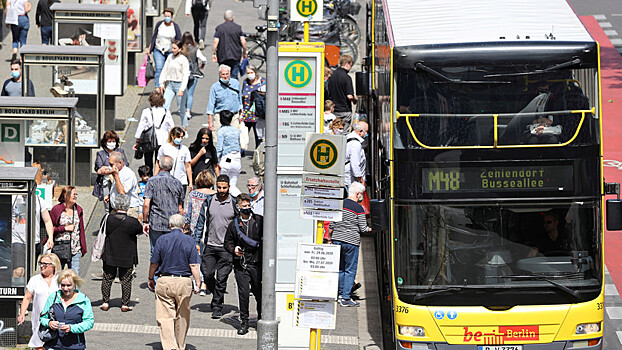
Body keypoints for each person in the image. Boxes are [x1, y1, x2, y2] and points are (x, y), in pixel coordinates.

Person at [148, 214, 201, 350]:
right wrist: (198, 282)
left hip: (164, 280)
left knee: (165, 317)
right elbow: (194, 265)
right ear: (184, 226)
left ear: (170, 226)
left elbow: (154, 263)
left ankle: (169, 346)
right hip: (184, 282)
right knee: (182, 316)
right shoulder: (190, 241)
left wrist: (150, 278)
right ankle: (180, 345)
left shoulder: (162, 240)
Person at [193, 174, 238, 319]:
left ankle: (217, 306)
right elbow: (201, 221)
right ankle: (217, 295)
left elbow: (239, 226)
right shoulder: (209, 201)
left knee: (222, 278)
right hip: (210, 245)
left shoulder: (234, 203)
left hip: (226, 248)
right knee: (207, 274)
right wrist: (196, 241)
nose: (221, 190)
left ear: (229, 187)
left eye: (224, 187)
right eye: (219, 187)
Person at [223, 193, 262, 335]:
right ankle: (244, 322)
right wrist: (234, 249)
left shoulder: (259, 220)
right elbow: (227, 242)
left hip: (257, 264)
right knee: (243, 294)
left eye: (249, 205)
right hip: (241, 265)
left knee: (259, 294)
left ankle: (261, 320)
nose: (247, 208)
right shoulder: (234, 224)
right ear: (238, 206)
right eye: (244, 206)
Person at [328, 182, 371, 307]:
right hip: (351, 242)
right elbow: (363, 228)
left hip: (337, 240)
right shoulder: (358, 208)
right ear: (357, 194)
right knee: (350, 270)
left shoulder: (339, 205)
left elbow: (332, 225)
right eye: (361, 195)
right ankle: (346, 298)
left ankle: (340, 294)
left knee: (340, 268)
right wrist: (372, 229)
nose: (361, 197)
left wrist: (330, 239)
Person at [100, 194, 143, 312]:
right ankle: (125, 304)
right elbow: (140, 230)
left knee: (107, 278)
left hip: (110, 253)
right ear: (127, 206)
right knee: (126, 279)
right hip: (127, 255)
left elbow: (102, 229)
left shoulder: (107, 218)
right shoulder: (132, 222)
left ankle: (105, 302)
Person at [39, 269, 94, 350]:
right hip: (53, 345)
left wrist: (71, 328)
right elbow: (42, 318)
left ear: (75, 284)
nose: (65, 288)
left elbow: (89, 322)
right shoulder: (53, 297)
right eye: (63, 285)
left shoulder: (83, 300)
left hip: (75, 345)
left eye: (69, 285)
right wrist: (49, 323)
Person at [17, 253, 61, 350]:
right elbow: (27, 298)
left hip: (57, 319)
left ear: (53, 266)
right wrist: (22, 314)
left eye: (45, 264)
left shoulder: (60, 280)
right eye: (40, 263)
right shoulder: (35, 280)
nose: (42, 266)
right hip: (39, 319)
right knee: (39, 344)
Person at [183, 169, 216, 295]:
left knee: (197, 256)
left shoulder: (193, 194)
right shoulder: (215, 194)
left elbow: (187, 212)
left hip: (194, 228)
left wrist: (185, 227)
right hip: (210, 228)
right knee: (209, 256)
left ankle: (200, 281)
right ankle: (206, 282)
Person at [143, 155, 185, 252]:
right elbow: (180, 207)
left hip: (155, 222)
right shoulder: (177, 183)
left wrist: (145, 221)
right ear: (171, 167)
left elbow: (146, 204)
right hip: (172, 223)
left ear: (159, 165)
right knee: (170, 252)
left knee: (155, 251)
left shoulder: (152, 181)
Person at [49, 186, 86, 274]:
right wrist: (64, 228)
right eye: (74, 194)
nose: (75, 196)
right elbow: (50, 228)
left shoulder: (78, 209)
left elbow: (81, 229)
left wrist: (83, 247)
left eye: (76, 194)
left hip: (75, 248)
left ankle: (75, 289)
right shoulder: (57, 209)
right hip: (60, 247)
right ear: (65, 195)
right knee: (57, 275)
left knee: (74, 276)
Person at [134, 91, 175, 171]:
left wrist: (138, 140)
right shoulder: (166, 112)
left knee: (148, 161)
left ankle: (148, 177)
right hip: (163, 140)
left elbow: (141, 126)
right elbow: (171, 127)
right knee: (159, 161)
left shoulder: (146, 111)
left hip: (148, 140)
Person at [93, 130, 129, 211]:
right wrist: (111, 170)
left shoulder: (120, 152)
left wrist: (107, 169)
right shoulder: (101, 154)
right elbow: (99, 168)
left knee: (119, 203)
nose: (112, 143)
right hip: (105, 182)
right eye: (109, 141)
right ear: (105, 142)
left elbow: (125, 164)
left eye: (113, 141)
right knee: (107, 205)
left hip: (119, 180)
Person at [159, 40, 190, 130]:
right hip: (170, 85)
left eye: (174, 48)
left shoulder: (183, 60)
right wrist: (161, 83)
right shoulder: (170, 57)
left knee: (181, 109)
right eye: (172, 48)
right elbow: (165, 70)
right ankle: (165, 126)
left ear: (180, 49)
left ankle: (184, 126)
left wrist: (182, 88)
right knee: (165, 106)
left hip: (179, 85)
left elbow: (185, 75)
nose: (172, 50)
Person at [205, 64, 242, 138]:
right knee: (219, 138)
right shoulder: (215, 87)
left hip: (233, 116)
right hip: (220, 116)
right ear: (219, 75)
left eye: (227, 74)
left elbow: (240, 100)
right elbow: (211, 105)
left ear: (230, 74)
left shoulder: (236, 84)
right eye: (223, 74)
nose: (225, 76)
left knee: (233, 137)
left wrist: (241, 114)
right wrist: (210, 122)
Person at [149, 7, 182, 89]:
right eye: (165, 15)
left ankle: (165, 86)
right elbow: (154, 36)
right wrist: (150, 48)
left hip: (170, 51)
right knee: (159, 68)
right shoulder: (159, 24)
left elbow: (179, 39)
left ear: (171, 17)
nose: (167, 18)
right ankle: (158, 87)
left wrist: (178, 50)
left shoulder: (175, 26)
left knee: (168, 69)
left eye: (168, 16)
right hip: (159, 50)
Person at [155, 127, 193, 193]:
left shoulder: (184, 149)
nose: (180, 139)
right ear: (172, 136)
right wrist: (154, 178)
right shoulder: (164, 148)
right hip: (166, 181)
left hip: (181, 181)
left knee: (180, 202)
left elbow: (188, 166)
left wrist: (190, 182)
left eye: (182, 137)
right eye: (178, 137)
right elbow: (158, 164)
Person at [212, 10, 246, 79]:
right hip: (235, 55)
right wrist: (244, 53)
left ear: (224, 18)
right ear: (233, 18)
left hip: (222, 55)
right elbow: (243, 42)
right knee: (234, 75)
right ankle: (233, 88)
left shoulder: (219, 28)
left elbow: (215, 41)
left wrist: (213, 53)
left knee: (223, 74)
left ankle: (223, 87)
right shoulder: (238, 28)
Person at [180, 32, 207, 122]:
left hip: (183, 74)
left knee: (185, 92)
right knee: (191, 93)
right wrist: (202, 65)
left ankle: (184, 108)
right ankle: (188, 111)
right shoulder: (195, 49)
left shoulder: (181, 49)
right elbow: (204, 59)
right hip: (194, 73)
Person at [104, 151, 140, 218]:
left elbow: (122, 193)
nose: (110, 166)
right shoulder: (118, 172)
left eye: (111, 164)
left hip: (128, 210)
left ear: (120, 163)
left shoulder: (128, 174)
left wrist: (116, 176)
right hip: (117, 209)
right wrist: (111, 196)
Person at [327, 54, 357, 132]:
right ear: (347, 64)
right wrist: (355, 99)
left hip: (333, 110)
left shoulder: (332, 76)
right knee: (343, 134)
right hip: (344, 110)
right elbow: (349, 96)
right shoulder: (347, 77)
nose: (351, 67)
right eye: (351, 65)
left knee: (334, 132)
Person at [216, 110, 242, 194]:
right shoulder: (236, 130)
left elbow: (219, 148)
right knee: (232, 186)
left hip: (226, 159)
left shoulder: (221, 131)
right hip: (237, 160)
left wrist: (215, 160)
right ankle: (240, 201)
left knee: (222, 187)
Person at [241, 65, 266, 147]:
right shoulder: (245, 82)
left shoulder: (262, 82)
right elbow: (242, 95)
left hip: (257, 114)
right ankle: (241, 151)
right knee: (243, 136)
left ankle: (259, 154)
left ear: (255, 72)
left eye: (251, 72)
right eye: (248, 73)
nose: (250, 75)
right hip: (246, 113)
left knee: (259, 136)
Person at [344, 121, 368, 190]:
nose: (366, 134)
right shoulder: (355, 144)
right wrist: (361, 181)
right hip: (351, 181)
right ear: (360, 131)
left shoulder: (347, 137)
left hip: (348, 179)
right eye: (366, 132)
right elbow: (355, 164)